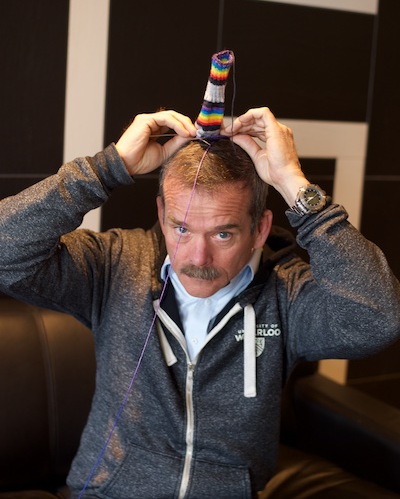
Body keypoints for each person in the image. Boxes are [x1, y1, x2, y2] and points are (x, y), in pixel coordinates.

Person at [0, 106, 399, 499]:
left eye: (223, 234)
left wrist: (293, 183)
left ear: (260, 229)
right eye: (182, 229)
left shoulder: (286, 294)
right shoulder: (115, 264)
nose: (197, 258)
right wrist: (108, 167)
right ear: (162, 214)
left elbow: (378, 319)